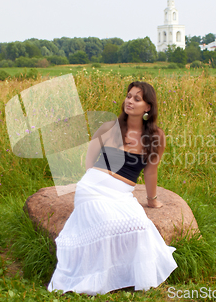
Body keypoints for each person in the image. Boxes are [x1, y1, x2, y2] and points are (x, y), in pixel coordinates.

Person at [47, 81, 177, 295]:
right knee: (107, 224)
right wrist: (88, 182)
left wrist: (152, 199)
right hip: (93, 187)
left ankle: (126, 276)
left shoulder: (156, 136)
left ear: (148, 107)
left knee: (139, 226)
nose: (130, 101)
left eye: (137, 98)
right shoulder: (109, 127)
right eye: (128, 96)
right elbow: (90, 159)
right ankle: (98, 279)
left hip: (121, 194)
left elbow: (150, 171)